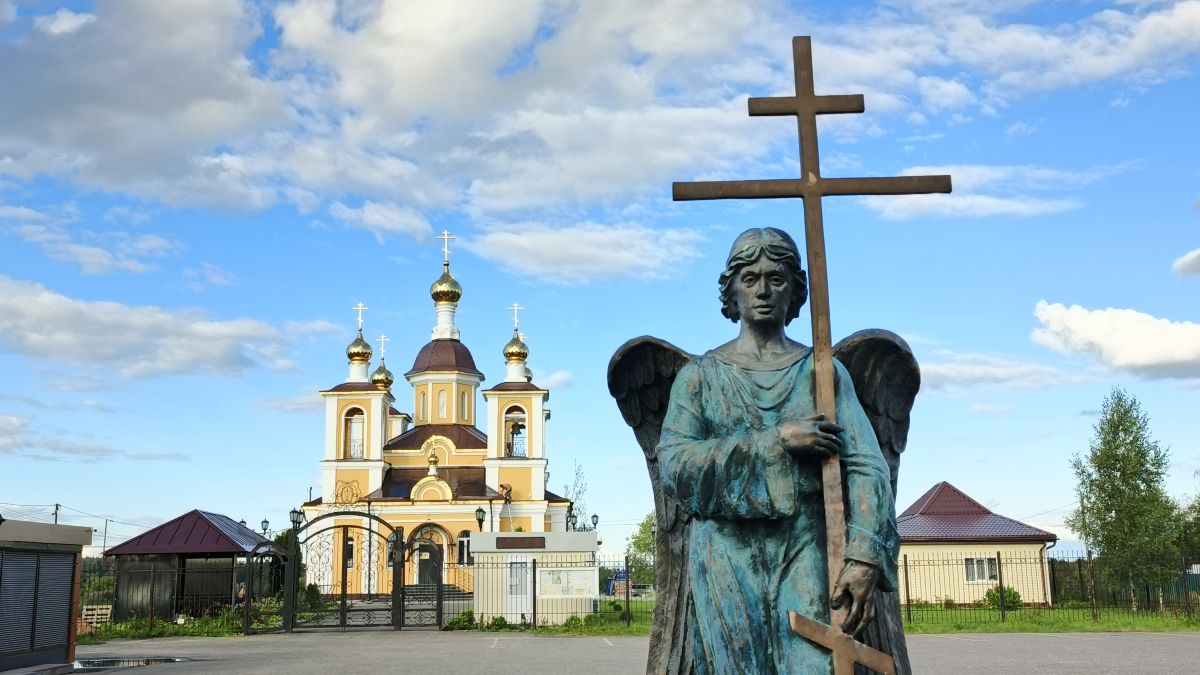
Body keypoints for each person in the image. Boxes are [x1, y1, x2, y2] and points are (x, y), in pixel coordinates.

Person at [656, 227, 899, 673]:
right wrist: (777, 441)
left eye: (776, 278)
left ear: (796, 290)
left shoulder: (823, 372)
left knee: (814, 666)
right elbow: (674, 466)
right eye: (750, 279)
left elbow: (867, 465)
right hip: (726, 551)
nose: (763, 290)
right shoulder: (700, 377)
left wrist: (864, 555)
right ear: (731, 291)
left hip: (808, 543)